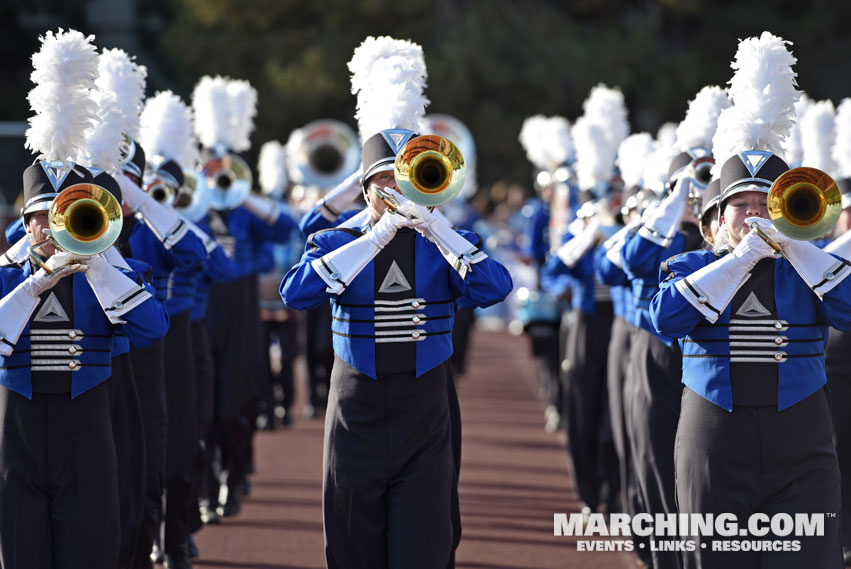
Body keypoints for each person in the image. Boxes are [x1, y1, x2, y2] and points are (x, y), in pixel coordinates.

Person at [281, 36, 512, 569]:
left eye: (404, 179)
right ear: (364, 187)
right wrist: (374, 237)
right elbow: (297, 294)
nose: (394, 190)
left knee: (426, 545)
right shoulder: (338, 241)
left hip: (425, 404)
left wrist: (439, 227)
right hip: (356, 404)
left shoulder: (439, 240)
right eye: (382, 180)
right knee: (352, 544)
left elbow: (494, 288)